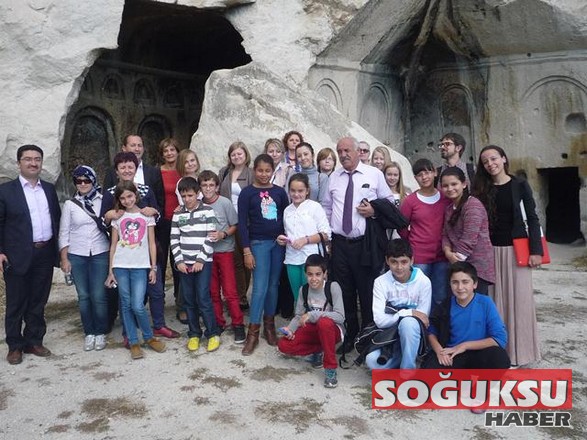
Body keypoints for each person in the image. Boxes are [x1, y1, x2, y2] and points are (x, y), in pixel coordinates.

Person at [472, 145, 543, 366]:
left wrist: (536, 251)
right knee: (495, 303)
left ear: (503, 159)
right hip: (489, 251)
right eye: (485, 161)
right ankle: (498, 355)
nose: (490, 164)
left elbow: (532, 218)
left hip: (516, 250)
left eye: (494, 158)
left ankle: (521, 352)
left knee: (520, 301)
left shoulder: (519, 185)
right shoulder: (480, 188)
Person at [323, 136, 393, 353]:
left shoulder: (374, 174)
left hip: (365, 244)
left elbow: (389, 202)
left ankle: (367, 336)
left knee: (367, 291)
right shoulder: (333, 177)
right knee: (344, 291)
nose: (343, 155)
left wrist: (374, 210)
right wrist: (327, 238)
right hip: (339, 244)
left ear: (357, 151)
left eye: (347, 150)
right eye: (339, 151)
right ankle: (350, 333)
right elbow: (326, 208)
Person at [101, 152, 179, 343]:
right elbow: (103, 222)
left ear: (136, 169)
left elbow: (155, 216)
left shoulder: (145, 190)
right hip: (125, 251)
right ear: (116, 171)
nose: (127, 170)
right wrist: (108, 216)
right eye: (122, 167)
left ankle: (159, 324)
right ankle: (128, 332)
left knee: (156, 289)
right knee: (126, 295)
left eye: (130, 167)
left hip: (148, 248)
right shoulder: (111, 192)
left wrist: (154, 212)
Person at [0, 145, 61, 365]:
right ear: (19, 163)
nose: (33, 163)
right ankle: (15, 346)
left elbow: (56, 219)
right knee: (16, 302)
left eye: (37, 159)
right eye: (28, 159)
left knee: (38, 300)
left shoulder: (49, 189)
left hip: (44, 253)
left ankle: (34, 341)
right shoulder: (6, 191)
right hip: (16, 255)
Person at [104, 181, 167, 360]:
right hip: (121, 266)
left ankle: (148, 337)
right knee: (125, 304)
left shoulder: (147, 216)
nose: (127, 200)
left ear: (136, 195)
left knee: (138, 305)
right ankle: (133, 341)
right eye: (122, 198)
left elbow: (151, 243)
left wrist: (153, 267)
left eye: (129, 196)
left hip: (140, 266)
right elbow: (113, 245)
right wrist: (110, 271)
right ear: (119, 200)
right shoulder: (118, 218)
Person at [238, 154, 288, 356]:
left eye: (268, 170)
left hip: (278, 244)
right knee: (259, 287)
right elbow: (242, 224)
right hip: (258, 244)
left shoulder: (279, 192)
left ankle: (269, 326)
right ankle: (253, 332)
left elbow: (286, 217)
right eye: (260, 170)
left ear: (273, 171)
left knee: (273, 285)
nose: (264, 174)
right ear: (254, 170)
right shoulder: (247, 193)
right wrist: (246, 250)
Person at [59, 165, 109, 352]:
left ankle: (101, 330)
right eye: (78, 181)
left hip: (100, 252)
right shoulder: (70, 205)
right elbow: (64, 232)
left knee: (98, 294)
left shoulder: (103, 200)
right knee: (83, 295)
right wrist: (64, 258)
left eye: (86, 180)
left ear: (93, 181)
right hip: (77, 253)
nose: (82, 184)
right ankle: (89, 331)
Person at [423, 261, 510, 370]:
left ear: (475, 284)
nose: (460, 287)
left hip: (479, 353)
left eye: (465, 282)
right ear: (450, 284)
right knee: (428, 370)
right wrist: (439, 351)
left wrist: (464, 346)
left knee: (499, 357)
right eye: (455, 282)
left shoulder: (485, 303)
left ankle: (480, 381)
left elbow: (500, 339)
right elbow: (431, 330)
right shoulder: (446, 305)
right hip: (453, 354)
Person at [277, 254, 345, 388]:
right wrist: (290, 329)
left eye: (318, 274)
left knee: (324, 322)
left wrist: (312, 314)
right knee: (283, 345)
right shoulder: (304, 289)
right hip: (313, 329)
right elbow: (298, 316)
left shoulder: (333, 287)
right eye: (310, 274)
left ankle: (330, 368)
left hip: (333, 330)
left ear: (325, 274)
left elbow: (340, 316)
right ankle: (319, 350)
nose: (314, 279)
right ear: (306, 274)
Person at [170, 177, 221, 353]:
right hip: (184, 264)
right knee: (189, 299)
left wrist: (200, 260)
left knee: (203, 298)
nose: (187, 199)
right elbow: (174, 239)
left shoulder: (208, 211)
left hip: (203, 263)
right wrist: (179, 261)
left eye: (190, 195)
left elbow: (211, 237)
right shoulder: (178, 214)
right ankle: (194, 333)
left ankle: (213, 333)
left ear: (198, 193)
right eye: (183, 196)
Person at [365, 239, 431, 370]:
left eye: (404, 262)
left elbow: (423, 319)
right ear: (387, 261)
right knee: (372, 362)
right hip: (390, 336)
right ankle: (404, 356)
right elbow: (379, 321)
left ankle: (407, 370)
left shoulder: (423, 281)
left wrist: (401, 317)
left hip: (413, 333)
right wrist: (409, 312)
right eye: (394, 262)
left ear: (412, 260)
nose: (399, 267)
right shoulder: (380, 282)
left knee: (408, 323)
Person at [198, 170, 245, 344]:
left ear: (217, 187)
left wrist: (223, 234)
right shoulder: (198, 205)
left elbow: (234, 225)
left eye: (211, 185)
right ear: (200, 188)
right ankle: (218, 322)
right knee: (213, 291)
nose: (208, 188)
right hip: (206, 253)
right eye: (204, 185)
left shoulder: (224, 202)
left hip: (224, 250)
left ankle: (238, 324)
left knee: (230, 291)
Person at [399, 159, 451, 308]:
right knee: (419, 295)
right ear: (415, 178)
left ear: (434, 172)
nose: (424, 177)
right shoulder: (410, 201)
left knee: (441, 295)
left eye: (427, 172)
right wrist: (412, 241)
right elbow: (402, 227)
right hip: (419, 255)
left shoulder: (445, 198)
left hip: (442, 254)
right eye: (420, 174)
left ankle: (438, 323)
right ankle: (421, 322)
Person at [277, 173, 331, 304]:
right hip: (292, 258)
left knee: (312, 296)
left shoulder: (314, 207)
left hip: (310, 258)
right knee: (298, 296)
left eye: (300, 191)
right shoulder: (287, 210)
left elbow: (326, 234)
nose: (296, 194)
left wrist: (305, 240)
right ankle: (300, 316)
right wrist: (282, 240)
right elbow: (288, 233)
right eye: (293, 190)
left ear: (307, 191)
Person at [440, 167, 494, 294]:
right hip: (457, 264)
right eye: (445, 186)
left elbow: (469, 238)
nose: (450, 188)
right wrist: (447, 252)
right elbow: (446, 234)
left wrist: (456, 260)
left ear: (464, 184)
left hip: (476, 267)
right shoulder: (449, 208)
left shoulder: (473, 205)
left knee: (475, 303)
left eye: (454, 184)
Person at [218, 141, 254, 310]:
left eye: (240, 153)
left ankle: (242, 296)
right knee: (235, 260)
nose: (236, 156)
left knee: (246, 261)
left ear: (246, 155)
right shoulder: (224, 172)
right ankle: (236, 296)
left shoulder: (251, 174)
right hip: (227, 221)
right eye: (233, 154)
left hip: (245, 222)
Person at [103, 134, 164, 210]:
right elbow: (106, 201)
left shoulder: (154, 172)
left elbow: (160, 203)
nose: (137, 149)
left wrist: (155, 213)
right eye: (133, 145)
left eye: (139, 145)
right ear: (124, 148)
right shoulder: (111, 171)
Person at [158, 138, 182, 321]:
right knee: (159, 261)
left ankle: (181, 303)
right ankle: (158, 302)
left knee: (178, 264)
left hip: (180, 222)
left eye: (172, 149)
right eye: (165, 150)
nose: (169, 153)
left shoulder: (183, 171)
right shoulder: (157, 172)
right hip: (162, 222)